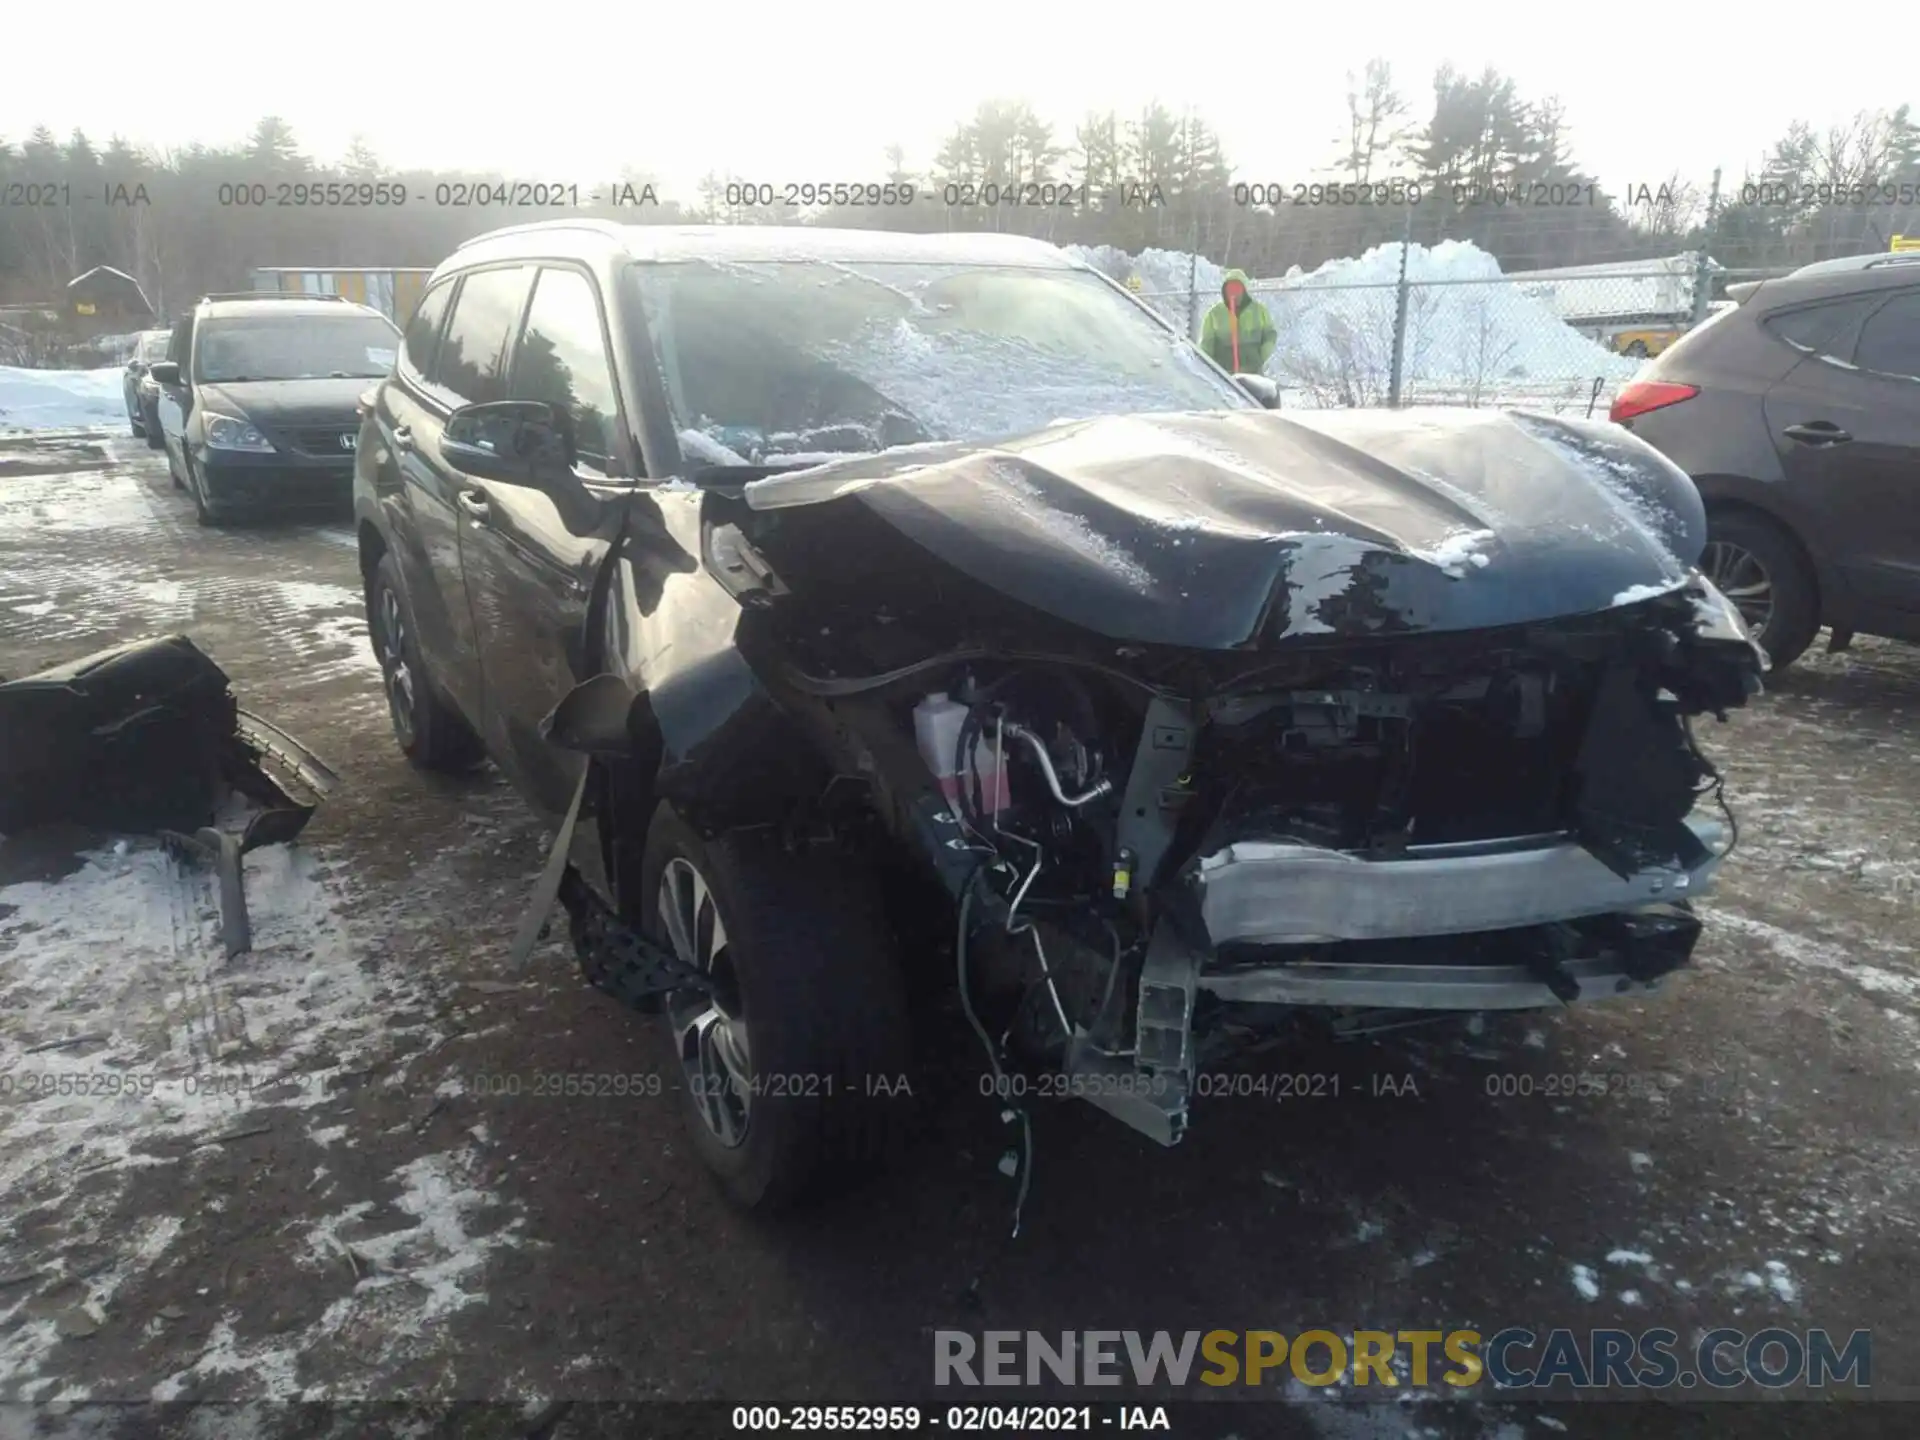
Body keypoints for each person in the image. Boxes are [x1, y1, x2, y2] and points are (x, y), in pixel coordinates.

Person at [1199, 269, 1276, 376]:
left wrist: (1261, 356)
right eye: (1230, 288)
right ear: (1224, 290)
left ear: (1244, 289)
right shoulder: (1214, 314)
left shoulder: (1258, 310)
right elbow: (1206, 345)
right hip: (1224, 375)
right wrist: (1211, 368)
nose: (1233, 291)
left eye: (1237, 287)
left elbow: (1270, 334)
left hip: (1253, 373)